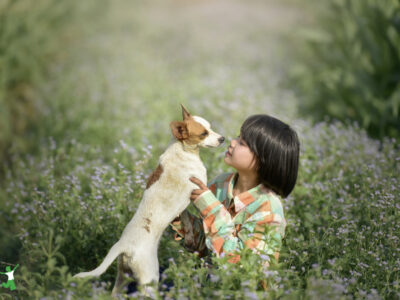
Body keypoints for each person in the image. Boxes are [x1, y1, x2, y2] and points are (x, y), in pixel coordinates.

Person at [171, 114, 300, 264]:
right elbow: (204, 245)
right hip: (207, 281)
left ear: (263, 160)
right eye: (238, 137)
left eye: (242, 143)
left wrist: (212, 209)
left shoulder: (268, 208)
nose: (232, 142)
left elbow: (240, 265)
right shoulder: (221, 184)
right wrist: (174, 211)